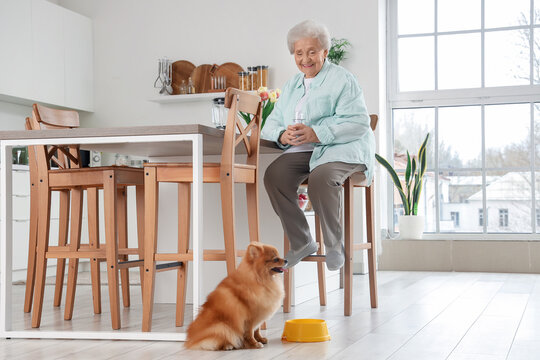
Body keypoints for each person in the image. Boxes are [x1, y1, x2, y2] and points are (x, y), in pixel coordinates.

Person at [262, 20, 375, 271]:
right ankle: (302, 242)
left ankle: (334, 246)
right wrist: (282, 136)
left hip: (343, 148)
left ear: (325, 51)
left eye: (312, 51)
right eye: (299, 53)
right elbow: (270, 124)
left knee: (321, 178)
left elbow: (358, 123)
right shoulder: (292, 85)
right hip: (306, 151)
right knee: (274, 175)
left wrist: (316, 132)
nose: (305, 59)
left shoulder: (343, 80)